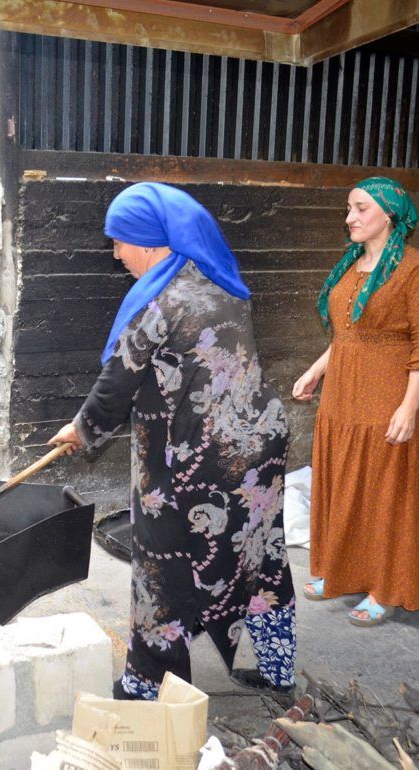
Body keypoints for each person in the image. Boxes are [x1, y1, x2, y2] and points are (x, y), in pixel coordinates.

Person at [48, 182, 296, 700]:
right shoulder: (221, 283)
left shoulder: (164, 301)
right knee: (259, 556)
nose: (117, 255)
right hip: (255, 455)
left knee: (162, 567)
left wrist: (79, 431)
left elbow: (118, 383)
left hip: (193, 461)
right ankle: (277, 669)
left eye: (121, 242)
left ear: (151, 242)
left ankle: (146, 681)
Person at [293, 177, 419, 627]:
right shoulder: (352, 265)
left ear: (388, 214)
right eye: (349, 208)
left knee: (383, 493)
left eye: (360, 208)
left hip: (384, 396)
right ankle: (342, 570)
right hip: (342, 397)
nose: (350, 218)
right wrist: (315, 369)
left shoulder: (412, 269)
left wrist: (409, 407)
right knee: (343, 483)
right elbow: (347, 335)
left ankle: (384, 586)